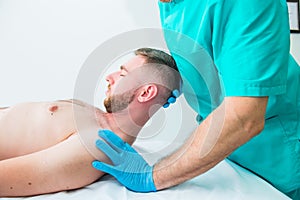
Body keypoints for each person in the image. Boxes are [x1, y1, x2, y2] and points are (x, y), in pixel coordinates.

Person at [92, 1, 300, 199]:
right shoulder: (173, 3)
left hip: (279, 161)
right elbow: (217, 52)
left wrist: (154, 176)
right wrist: (177, 78)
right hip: (231, 158)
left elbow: (244, 118)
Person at [0, 48, 182, 197]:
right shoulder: (93, 114)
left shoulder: (99, 145)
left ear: (145, 93)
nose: (110, 76)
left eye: (123, 74)